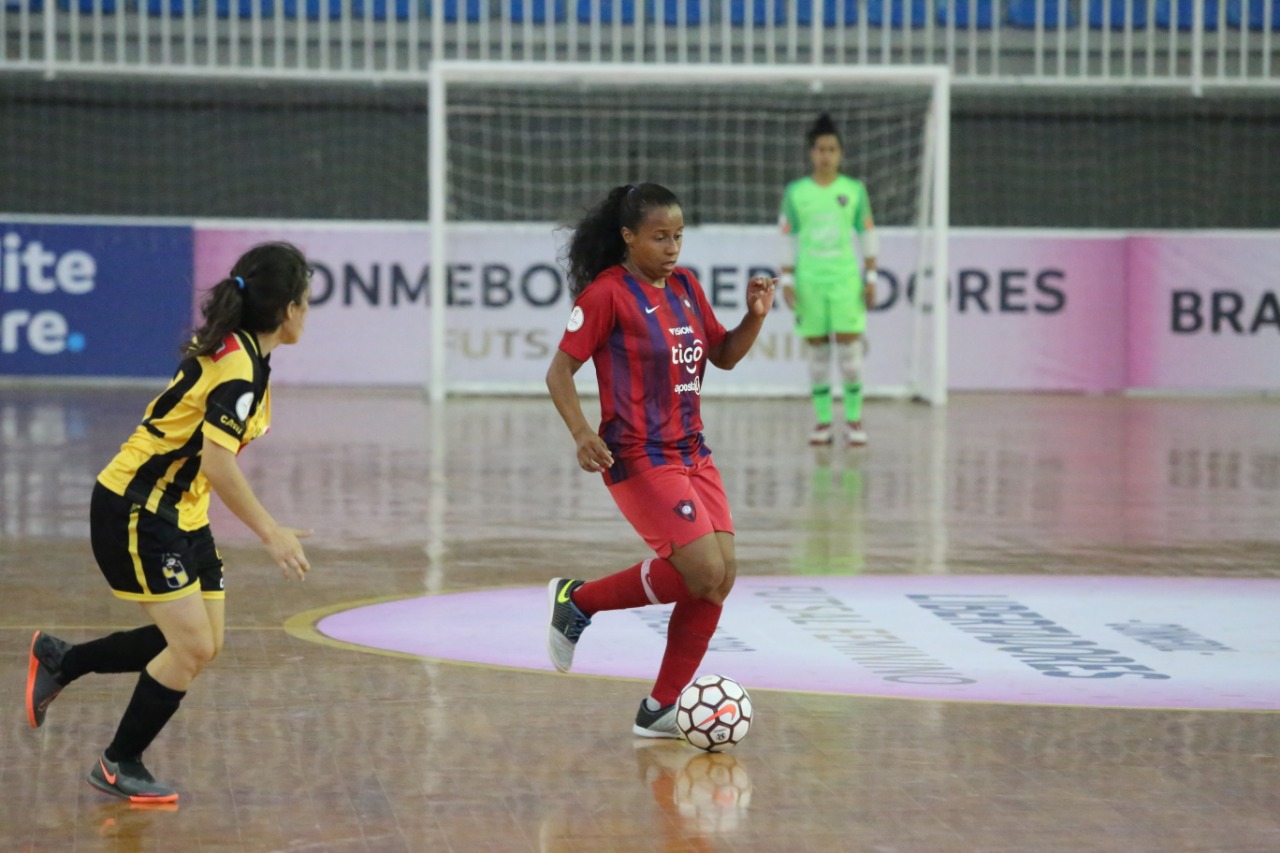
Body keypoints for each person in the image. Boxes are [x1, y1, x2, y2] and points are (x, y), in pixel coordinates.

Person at [24, 241, 314, 803]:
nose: (308, 312)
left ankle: (62, 659)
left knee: (206, 641)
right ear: (288, 310)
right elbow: (218, 463)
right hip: (136, 506)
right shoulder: (240, 369)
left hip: (182, 509)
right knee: (190, 648)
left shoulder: (246, 351)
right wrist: (270, 532)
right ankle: (118, 761)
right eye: (306, 301)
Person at [544, 182, 776, 738]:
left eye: (678, 236)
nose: (673, 248)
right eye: (660, 237)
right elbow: (559, 373)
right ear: (628, 238)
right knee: (701, 570)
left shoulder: (688, 288)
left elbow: (721, 357)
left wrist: (755, 317)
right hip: (637, 455)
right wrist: (580, 433)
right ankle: (578, 600)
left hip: (693, 451)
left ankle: (660, 709)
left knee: (719, 580)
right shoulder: (606, 295)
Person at [778, 112, 879, 447]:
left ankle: (853, 419)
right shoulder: (796, 192)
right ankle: (823, 422)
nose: (826, 155)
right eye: (820, 149)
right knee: (819, 358)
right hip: (809, 281)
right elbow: (787, 236)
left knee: (850, 357)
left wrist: (872, 275)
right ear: (812, 153)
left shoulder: (853, 190)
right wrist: (788, 278)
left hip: (845, 280)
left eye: (832, 149)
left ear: (840, 153)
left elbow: (866, 232)